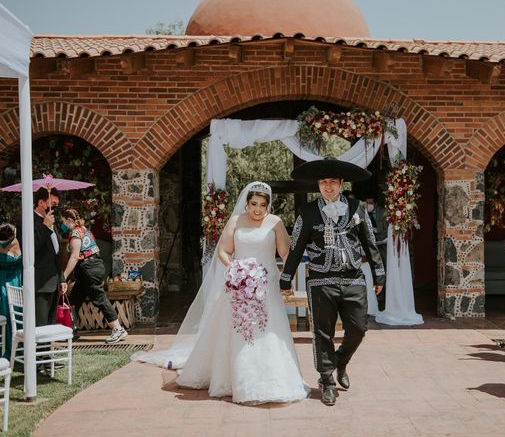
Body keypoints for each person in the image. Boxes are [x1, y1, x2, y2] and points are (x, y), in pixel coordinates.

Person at [133, 182, 308, 404]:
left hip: (267, 285)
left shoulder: (275, 223)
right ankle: (238, 380)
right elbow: (224, 252)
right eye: (254, 204)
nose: (258, 209)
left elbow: (285, 253)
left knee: (269, 330)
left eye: (263, 205)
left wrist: (286, 277)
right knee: (239, 330)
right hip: (239, 284)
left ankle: (274, 380)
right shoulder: (235, 222)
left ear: (268, 205)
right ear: (246, 203)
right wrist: (236, 269)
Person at [280, 158, 385, 406]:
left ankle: (341, 361)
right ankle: (326, 380)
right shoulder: (307, 212)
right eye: (323, 182)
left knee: (359, 328)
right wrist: (286, 278)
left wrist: (379, 273)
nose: (328, 187)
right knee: (322, 333)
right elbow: (296, 248)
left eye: (332, 182)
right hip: (320, 280)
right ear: (319, 184)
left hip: (353, 278)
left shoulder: (357, 207)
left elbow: (369, 240)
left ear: (341, 183)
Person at [60, 209, 127, 344]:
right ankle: (69, 330)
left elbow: (74, 256)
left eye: (63, 222)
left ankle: (118, 329)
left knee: (99, 297)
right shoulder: (85, 229)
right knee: (74, 299)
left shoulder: (75, 233)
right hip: (93, 267)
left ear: (69, 220)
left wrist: (64, 276)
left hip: (89, 269)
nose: (62, 225)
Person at [33, 187, 66, 326]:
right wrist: (45, 227)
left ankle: (49, 348)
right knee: (41, 324)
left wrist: (62, 278)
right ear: (41, 203)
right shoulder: (29, 221)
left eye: (56, 204)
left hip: (54, 281)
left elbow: (56, 253)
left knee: (51, 322)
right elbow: (32, 247)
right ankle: (40, 348)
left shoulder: (52, 223)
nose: (55, 208)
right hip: (40, 282)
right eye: (52, 203)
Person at [0, 222, 22, 358]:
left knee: (7, 313)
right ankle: (15, 347)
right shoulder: (16, 242)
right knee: (14, 313)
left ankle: (9, 346)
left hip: (3, 282)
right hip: (15, 282)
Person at [364, 195, 388, 270]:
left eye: (370, 202)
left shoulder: (383, 212)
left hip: (383, 242)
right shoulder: (363, 212)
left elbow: (387, 229)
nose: (368, 205)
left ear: (376, 203)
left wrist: (379, 239)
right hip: (370, 244)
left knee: (385, 261)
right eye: (367, 203)